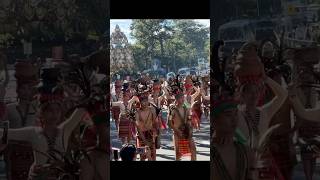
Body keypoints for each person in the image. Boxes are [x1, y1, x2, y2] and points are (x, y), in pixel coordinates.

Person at [211, 91, 255, 180]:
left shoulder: (245, 151)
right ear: (214, 121)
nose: (234, 119)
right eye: (228, 114)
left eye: (236, 114)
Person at [168, 88, 196, 161]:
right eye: (181, 98)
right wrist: (177, 131)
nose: (183, 99)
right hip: (177, 133)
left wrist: (190, 129)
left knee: (193, 149)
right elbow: (169, 123)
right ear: (176, 99)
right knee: (178, 153)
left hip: (186, 132)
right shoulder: (172, 109)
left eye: (183, 97)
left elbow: (188, 120)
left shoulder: (186, 108)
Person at [135, 93, 158, 161]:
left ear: (148, 101)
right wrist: (145, 141)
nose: (144, 103)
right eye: (142, 101)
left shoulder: (152, 110)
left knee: (153, 156)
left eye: (145, 101)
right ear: (140, 102)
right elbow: (138, 128)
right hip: (140, 136)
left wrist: (155, 133)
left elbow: (155, 123)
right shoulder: (137, 113)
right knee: (142, 156)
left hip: (150, 134)